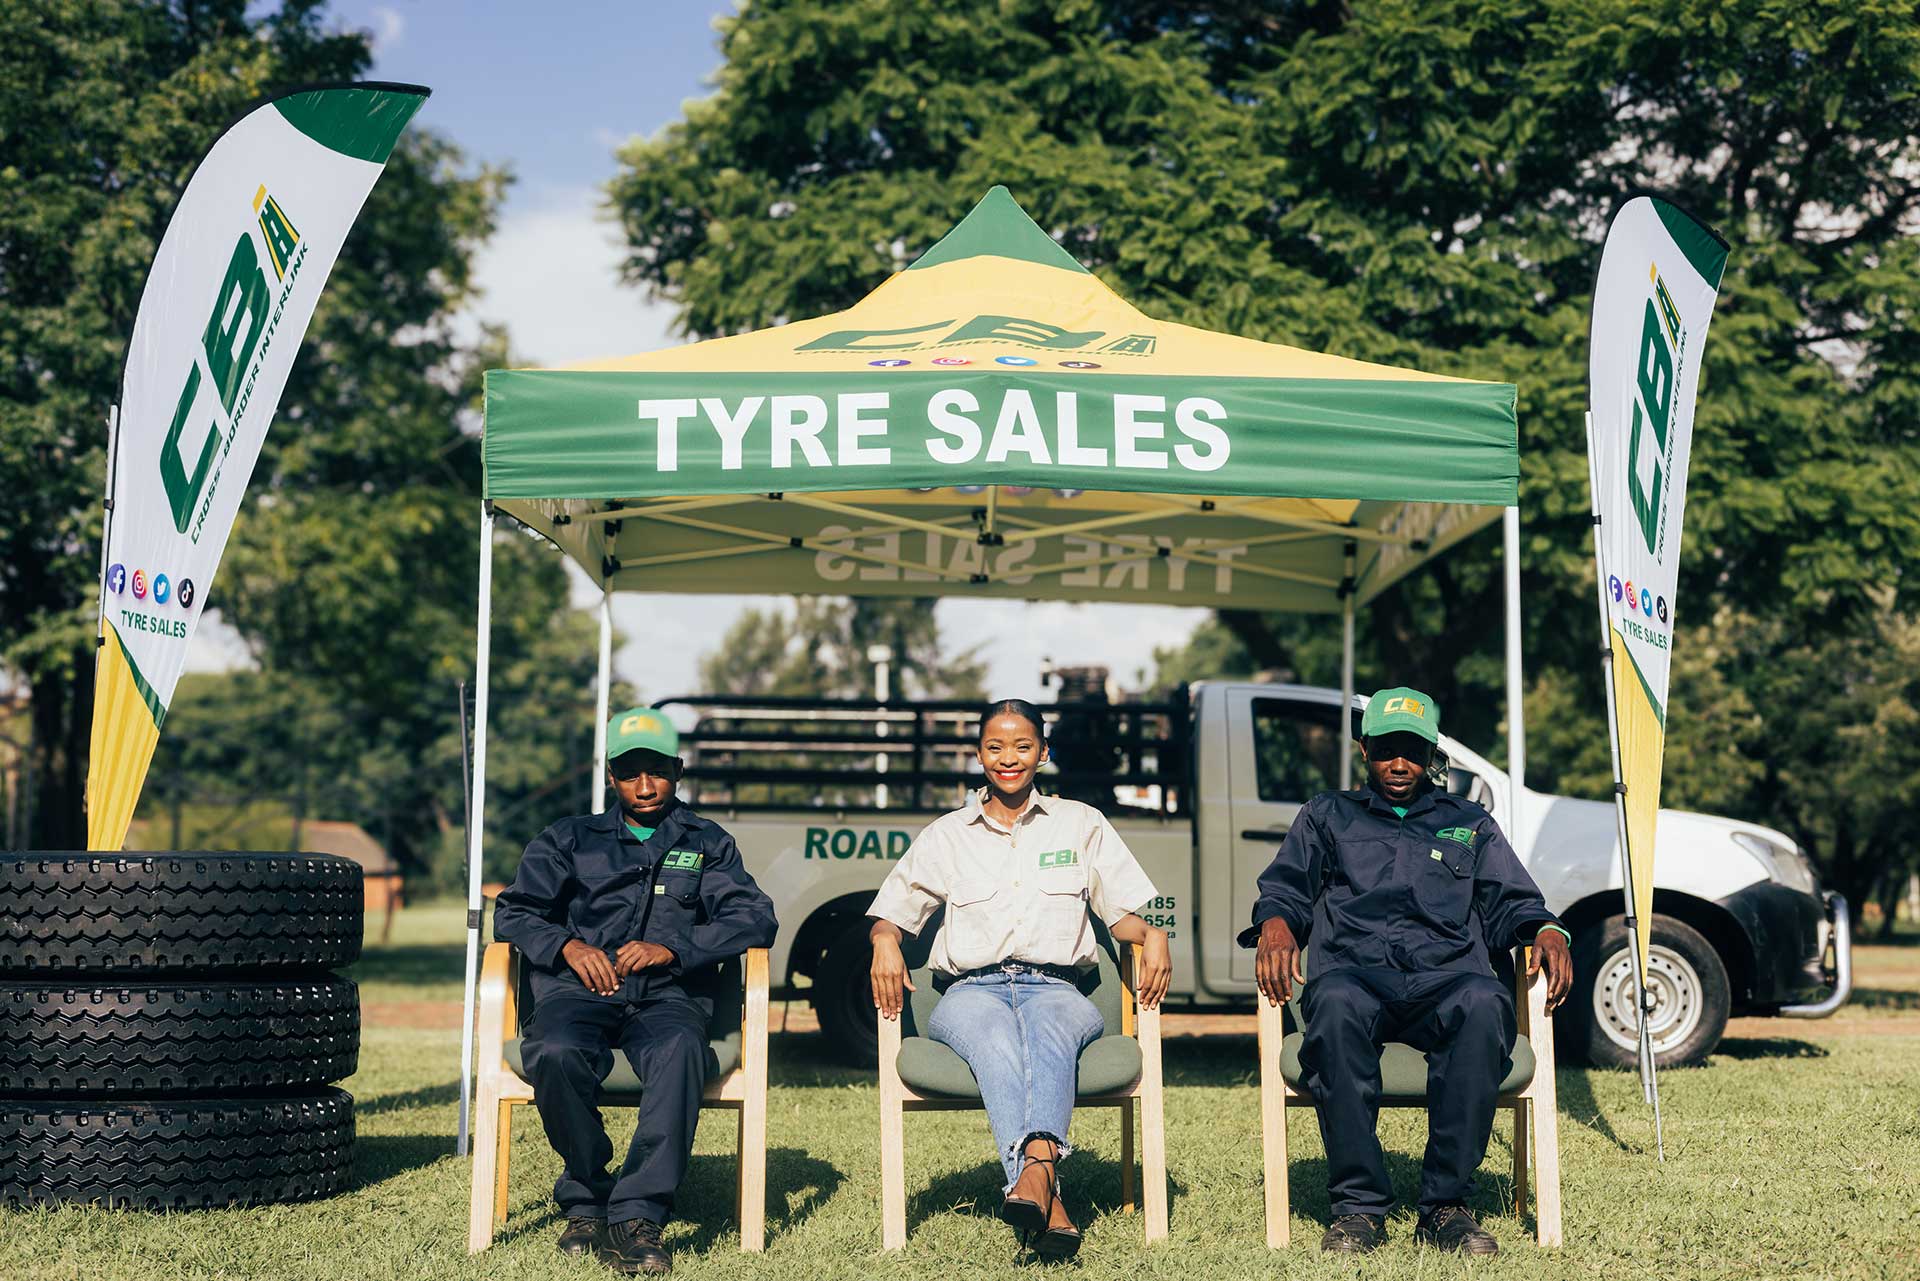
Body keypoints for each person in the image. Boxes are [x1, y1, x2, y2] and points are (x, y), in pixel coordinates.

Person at [1242, 686, 1573, 1257]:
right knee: (1336, 1008)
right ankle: (1358, 1209)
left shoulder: (1468, 822)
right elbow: (1286, 887)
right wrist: (1275, 922)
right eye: (1387, 749)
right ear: (1364, 749)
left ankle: (1446, 1207)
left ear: (1431, 756)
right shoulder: (1327, 814)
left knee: (1485, 1004)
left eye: (1414, 751)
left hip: (1446, 978)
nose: (1400, 764)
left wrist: (1547, 931)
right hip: (1355, 974)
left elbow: (1514, 901)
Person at [866, 699, 1173, 1259]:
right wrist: (885, 940)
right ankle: (1043, 1179)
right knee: (997, 1037)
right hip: (970, 992)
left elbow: (1121, 912)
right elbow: (893, 913)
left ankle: (1031, 1183)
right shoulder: (947, 834)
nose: (1008, 758)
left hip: (1059, 990)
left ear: (1043, 754)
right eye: (995, 747)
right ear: (979, 754)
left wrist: (1153, 934)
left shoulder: (1082, 823)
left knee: (1045, 1033)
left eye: (1023, 746)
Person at [494, 707, 777, 1275]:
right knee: (553, 1051)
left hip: (667, 998)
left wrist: (676, 949)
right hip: (577, 995)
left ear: (678, 770)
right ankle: (586, 1196)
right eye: (629, 773)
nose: (644, 787)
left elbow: (755, 918)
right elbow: (515, 911)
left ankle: (638, 1213)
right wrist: (569, 948)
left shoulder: (708, 841)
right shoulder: (569, 839)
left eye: (657, 772)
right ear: (611, 776)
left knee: (680, 1053)